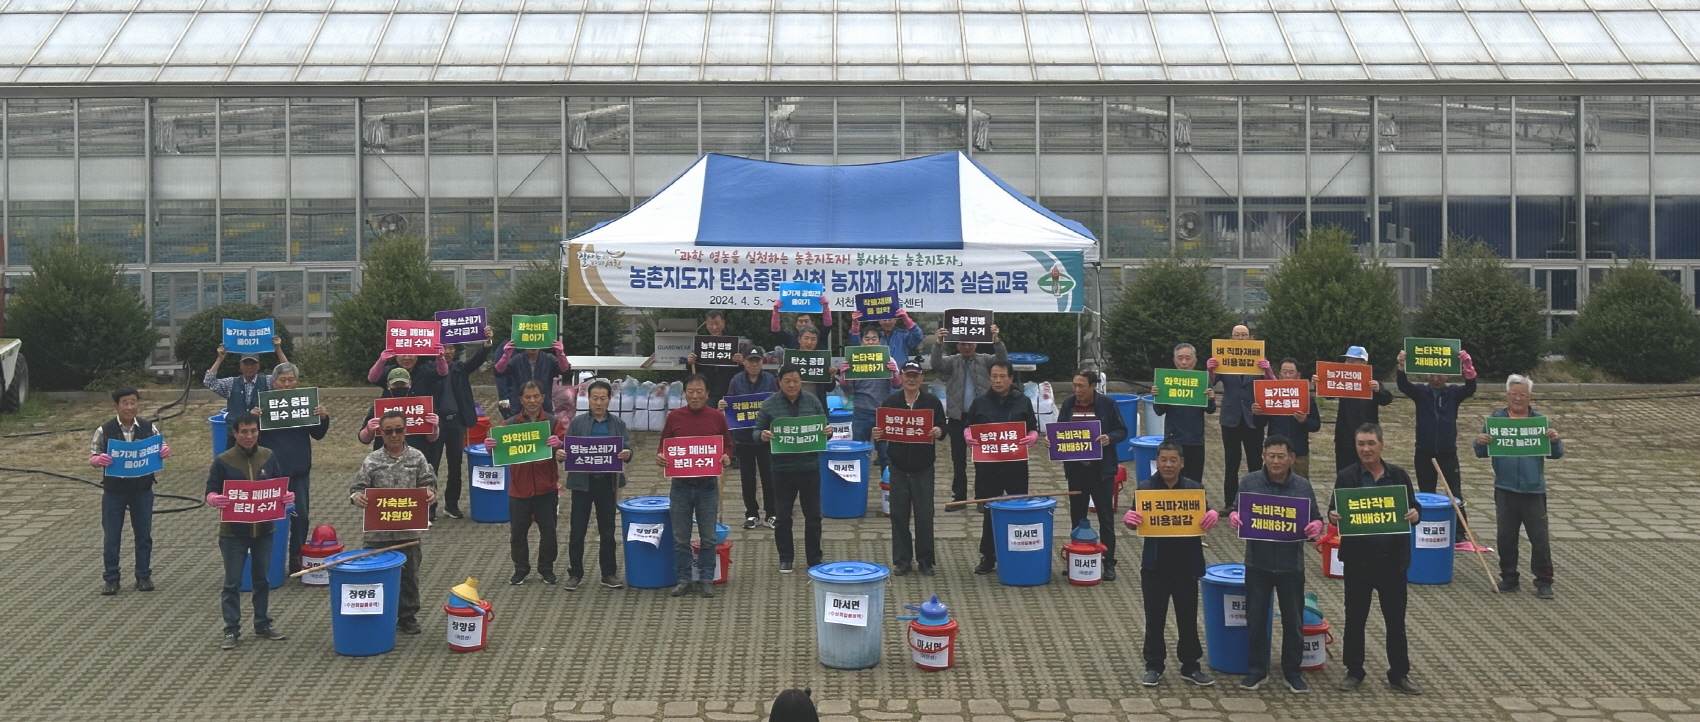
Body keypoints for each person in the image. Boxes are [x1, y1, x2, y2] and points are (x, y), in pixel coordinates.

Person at [1329, 423, 1423, 695]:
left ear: (1381, 445)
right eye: (1361, 444)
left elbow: (1414, 507)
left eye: (1370, 443)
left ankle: (1399, 674)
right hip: (1358, 562)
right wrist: (1333, 517)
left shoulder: (1398, 475)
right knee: (1355, 619)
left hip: (1392, 562)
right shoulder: (1346, 476)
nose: (1366, 449)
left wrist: (1415, 515)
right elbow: (1333, 510)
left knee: (1395, 621)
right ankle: (1354, 671)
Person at [1227, 435, 1323, 693]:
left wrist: (1317, 526)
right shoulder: (1249, 481)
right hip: (1258, 563)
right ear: (1263, 456)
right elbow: (1237, 509)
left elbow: (1316, 518)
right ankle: (1257, 670)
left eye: (1281, 456)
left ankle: (1292, 671)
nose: (1276, 461)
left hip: (1291, 565)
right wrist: (1235, 517)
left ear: (1292, 459)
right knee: (1256, 620)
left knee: (1293, 621)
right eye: (1271, 456)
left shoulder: (1302, 486)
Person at [1123, 441, 1218, 687]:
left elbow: (1205, 515)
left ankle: (1191, 666)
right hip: (1155, 566)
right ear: (1157, 461)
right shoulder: (1145, 490)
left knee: (1187, 618)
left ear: (1182, 463)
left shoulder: (1194, 490)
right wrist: (1129, 520)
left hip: (1187, 565)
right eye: (1163, 460)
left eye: (1173, 460)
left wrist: (1212, 515)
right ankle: (1154, 665)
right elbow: (1135, 521)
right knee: (1155, 618)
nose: (1168, 465)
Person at [204, 412, 292, 650]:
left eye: (253, 431)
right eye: (244, 432)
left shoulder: (268, 456)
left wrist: (286, 497)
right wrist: (214, 498)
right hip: (233, 533)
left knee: (261, 579)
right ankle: (231, 629)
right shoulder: (224, 460)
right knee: (232, 582)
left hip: (264, 531)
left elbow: (279, 485)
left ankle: (262, 623)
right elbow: (210, 490)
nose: (249, 436)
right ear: (235, 433)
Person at [1474, 374, 1565, 599]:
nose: (1517, 399)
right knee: (1506, 536)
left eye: (1522, 395)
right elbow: (1480, 452)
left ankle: (1543, 580)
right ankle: (1509, 577)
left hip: (1534, 490)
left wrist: (1554, 441)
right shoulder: (1496, 420)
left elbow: (1556, 454)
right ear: (1507, 395)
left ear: (1529, 397)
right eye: (1513, 394)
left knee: (1539, 538)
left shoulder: (1539, 422)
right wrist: (1479, 442)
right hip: (1505, 488)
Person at [350, 410, 438, 635]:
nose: (394, 435)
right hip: (377, 534)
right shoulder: (372, 460)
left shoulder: (417, 457)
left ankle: (407, 617)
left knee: (409, 577)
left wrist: (430, 494)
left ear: (406, 430)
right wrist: (357, 498)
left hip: (408, 532)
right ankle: (376, 616)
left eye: (398, 430)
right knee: (374, 579)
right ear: (381, 433)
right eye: (388, 431)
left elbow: (429, 483)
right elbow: (357, 488)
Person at [89, 386, 171, 595]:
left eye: (133, 402)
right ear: (116, 406)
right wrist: (98, 460)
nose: (130, 407)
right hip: (114, 491)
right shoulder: (104, 430)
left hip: (142, 489)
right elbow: (93, 455)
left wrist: (163, 451)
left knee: (144, 534)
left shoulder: (148, 427)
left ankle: (143, 575)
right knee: (111, 536)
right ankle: (111, 578)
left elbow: (160, 446)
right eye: (125, 403)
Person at [657, 374, 733, 596]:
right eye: (690, 391)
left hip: (708, 487)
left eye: (700, 391)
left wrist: (726, 457)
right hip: (680, 486)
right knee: (681, 538)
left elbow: (727, 445)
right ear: (685, 394)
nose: (695, 395)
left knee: (708, 537)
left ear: (708, 394)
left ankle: (707, 578)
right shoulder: (674, 417)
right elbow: (663, 446)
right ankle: (683, 579)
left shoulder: (717, 417)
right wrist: (660, 456)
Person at [1050, 369, 1129, 581]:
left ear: (1093, 386)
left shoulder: (1107, 405)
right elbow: (1060, 431)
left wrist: (1109, 438)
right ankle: (1075, 558)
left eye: (1081, 386)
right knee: (1077, 517)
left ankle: (1108, 561)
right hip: (1076, 471)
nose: (1077, 390)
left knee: (1105, 518)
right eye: (1074, 385)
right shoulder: (1068, 404)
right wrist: (1053, 442)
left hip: (1101, 471)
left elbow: (1122, 430)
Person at [483, 381, 564, 586]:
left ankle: (546, 569)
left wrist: (560, 445)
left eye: (536, 396)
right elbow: (497, 452)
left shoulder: (553, 423)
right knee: (518, 533)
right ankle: (521, 569)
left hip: (546, 487)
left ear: (543, 398)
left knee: (549, 532)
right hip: (519, 489)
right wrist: (490, 447)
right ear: (520, 400)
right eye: (528, 397)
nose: (532, 401)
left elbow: (566, 452)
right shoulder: (508, 425)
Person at [873, 361, 946, 576]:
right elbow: (881, 430)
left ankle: (925, 560)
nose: (912, 379)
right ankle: (902, 560)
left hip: (923, 468)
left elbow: (944, 429)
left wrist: (938, 431)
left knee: (924, 516)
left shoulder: (931, 402)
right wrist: (877, 433)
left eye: (916, 375)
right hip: (897, 466)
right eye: (908, 375)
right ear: (901, 377)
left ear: (922, 377)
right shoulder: (891, 401)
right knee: (898, 515)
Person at [966, 360, 1039, 575]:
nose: (998, 381)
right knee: (991, 511)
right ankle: (988, 556)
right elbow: (969, 426)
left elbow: (1033, 427)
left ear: (1010, 378)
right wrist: (968, 435)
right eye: (994, 377)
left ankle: (1018, 553)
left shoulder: (1022, 401)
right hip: (988, 468)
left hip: (1016, 466)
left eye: (1002, 377)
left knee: (1018, 510)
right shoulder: (979, 402)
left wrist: (1032, 436)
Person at [755, 365, 829, 572]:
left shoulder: (812, 401)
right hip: (782, 469)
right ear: (779, 382)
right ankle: (785, 557)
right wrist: (762, 436)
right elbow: (756, 431)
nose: (792, 384)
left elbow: (824, 428)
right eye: (787, 380)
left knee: (813, 516)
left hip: (809, 468)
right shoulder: (770, 404)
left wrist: (828, 431)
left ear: (801, 381)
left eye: (796, 380)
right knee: (783, 517)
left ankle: (814, 558)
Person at [258, 362, 330, 574]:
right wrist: (255, 417)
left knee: (301, 519)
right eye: (283, 380)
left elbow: (318, 434)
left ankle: (296, 563)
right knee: (270, 520)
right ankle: (269, 564)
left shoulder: (304, 402)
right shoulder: (265, 404)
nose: (287, 384)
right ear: (274, 382)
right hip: (271, 474)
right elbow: (249, 437)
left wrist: (323, 418)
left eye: (291, 380)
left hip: (298, 472)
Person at [563, 379, 632, 590]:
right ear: (588, 399)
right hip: (582, 483)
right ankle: (575, 573)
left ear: (609, 399)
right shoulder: (578, 422)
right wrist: (561, 455)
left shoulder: (617, 424)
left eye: (603, 398)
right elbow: (568, 450)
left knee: (608, 531)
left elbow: (628, 449)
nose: (599, 403)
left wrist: (627, 454)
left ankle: (608, 573)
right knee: (577, 531)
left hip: (607, 483)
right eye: (595, 398)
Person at [930, 323, 1008, 507]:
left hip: (981, 419)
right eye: (962, 344)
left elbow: (1003, 360)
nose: (966, 347)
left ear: (977, 344)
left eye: (970, 343)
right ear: (957, 346)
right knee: (958, 461)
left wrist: (997, 339)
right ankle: (959, 497)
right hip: (958, 418)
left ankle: (982, 498)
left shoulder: (985, 360)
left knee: (983, 461)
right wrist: (938, 343)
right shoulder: (953, 362)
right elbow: (936, 364)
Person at [1396, 348, 1477, 519]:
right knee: (1426, 493)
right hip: (1424, 451)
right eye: (1432, 374)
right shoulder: (1420, 392)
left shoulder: (1453, 393)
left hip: (1447, 452)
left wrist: (1467, 367)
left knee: (1454, 493)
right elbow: (1403, 386)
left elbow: (1470, 388)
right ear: (1426, 375)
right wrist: (1401, 366)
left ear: (1447, 375)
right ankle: (1426, 524)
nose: (1436, 378)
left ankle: (1459, 531)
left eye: (1440, 375)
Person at [1208, 324, 1273, 507]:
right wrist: (1211, 369)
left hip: (1253, 417)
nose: (1240, 338)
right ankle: (1230, 502)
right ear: (1231, 338)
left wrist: (1267, 370)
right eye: (1236, 335)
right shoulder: (1224, 358)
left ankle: (1257, 499)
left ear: (1250, 338)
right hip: (1231, 417)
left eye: (1243, 335)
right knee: (1231, 462)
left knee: (1255, 461)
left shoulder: (1259, 358)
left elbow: (1273, 387)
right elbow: (1210, 383)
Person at [437, 325, 494, 519]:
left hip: (456, 424)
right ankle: (428, 508)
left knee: (455, 466)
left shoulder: (460, 369)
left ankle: (451, 505)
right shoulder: (429, 370)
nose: (447, 352)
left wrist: (486, 343)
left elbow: (476, 361)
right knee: (431, 466)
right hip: (434, 426)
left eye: (451, 348)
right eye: (443, 347)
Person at [720, 345, 778, 529]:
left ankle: (771, 513)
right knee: (747, 477)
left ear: (763, 362)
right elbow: (729, 404)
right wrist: (723, 405)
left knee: (769, 476)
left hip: (765, 436)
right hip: (743, 437)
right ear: (744, 362)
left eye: (757, 361)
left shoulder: (770, 380)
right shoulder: (736, 380)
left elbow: (778, 402)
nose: (754, 365)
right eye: (750, 361)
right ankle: (751, 513)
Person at [204, 337, 288, 449]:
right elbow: (209, 382)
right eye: (246, 363)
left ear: (258, 365)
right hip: (235, 436)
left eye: (253, 363)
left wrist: (278, 349)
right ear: (240, 365)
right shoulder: (231, 383)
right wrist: (219, 359)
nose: (249, 367)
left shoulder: (267, 382)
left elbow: (286, 372)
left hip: (261, 436)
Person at [840, 326, 901, 476]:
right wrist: (843, 374)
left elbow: (897, 385)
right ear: (861, 341)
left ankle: (888, 489)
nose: (870, 342)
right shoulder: (853, 359)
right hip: (861, 411)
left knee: (885, 453)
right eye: (867, 339)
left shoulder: (888, 358)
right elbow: (846, 388)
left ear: (880, 341)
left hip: (884, 412)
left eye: (874, 339)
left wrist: (893, 372)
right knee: (859, 452)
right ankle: (857, 486)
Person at [1320, 346, 1393, 472]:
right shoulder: (1342, 380)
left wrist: (1378, 390)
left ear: (1364, 363)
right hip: (1345, 439)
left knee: (1368, 473)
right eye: (1347, 360)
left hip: (1367, 438)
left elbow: (1387, 399)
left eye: (1353, 361)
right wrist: (1319, 383)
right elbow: (1328, 394)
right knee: (1344, 473)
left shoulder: (1372, 382)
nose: (1349, 364)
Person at [1154, 343, 1217, 485]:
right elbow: (1159, 411)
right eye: (1180, 358)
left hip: (1195, 440)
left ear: (1194, 361)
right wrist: (1157, 396)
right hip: (1173, 439)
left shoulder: (1202, 380)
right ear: (1174, 360)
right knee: (1170, 479)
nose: (1184, 362)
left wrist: (1211, 398)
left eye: (1187, 358)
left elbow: (1211, 410)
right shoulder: (1166, 380)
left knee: (1194, 481)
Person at [1255, 358, 1321, 480]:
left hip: (1298, 453)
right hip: (1275, 451)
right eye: (1284, 372)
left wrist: (1304, 421)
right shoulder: (1270, 394)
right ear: (1279, 374)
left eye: (1291, 372)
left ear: (1298, 375)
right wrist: (1257, 413)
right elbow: (1259, 424)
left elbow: (1316, 425)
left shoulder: (1307, 397)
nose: (1287, 375)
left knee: (1299, 489)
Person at [357, 368, 442, 454]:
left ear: (410, 384)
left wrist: (434, 427)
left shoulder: (422, 406)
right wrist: (368, 430)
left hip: (415, 456)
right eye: (395, 384)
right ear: (388, 386)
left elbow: (432, 439)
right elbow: (364, 439)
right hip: (384, 457)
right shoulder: (380, 407)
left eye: (402, 384)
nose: (399, 387)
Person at [494, 332, 571, 419]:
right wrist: (506, 355)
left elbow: (564, 370)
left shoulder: (549, 359)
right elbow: (499, 371)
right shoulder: (517, 359)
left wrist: (560, 353)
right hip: (519, 409)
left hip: (544, 408)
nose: (533, 347)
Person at [687, 310, 741, 413]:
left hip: (728, 391)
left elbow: (740, 370)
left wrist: (741, 362)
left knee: (727, 422)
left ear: (723, 323)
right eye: (711, 324)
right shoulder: (700, 344)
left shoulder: (733, 344)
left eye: (717, 323)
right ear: (706, 325)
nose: (714, 327)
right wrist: (690, 362)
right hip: (707, 391)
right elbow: (693, 371)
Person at [850, 303, 924, 365]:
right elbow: (857, 344)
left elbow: (918, 336)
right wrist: (855, 324)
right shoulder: (874, 336)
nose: (887, 322)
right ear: (879, 321)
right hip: (878, 375)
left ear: (896, 320)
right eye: (884, 319)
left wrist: (907, 320)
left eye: (890, 319)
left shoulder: (903, 335)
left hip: (899, 376)